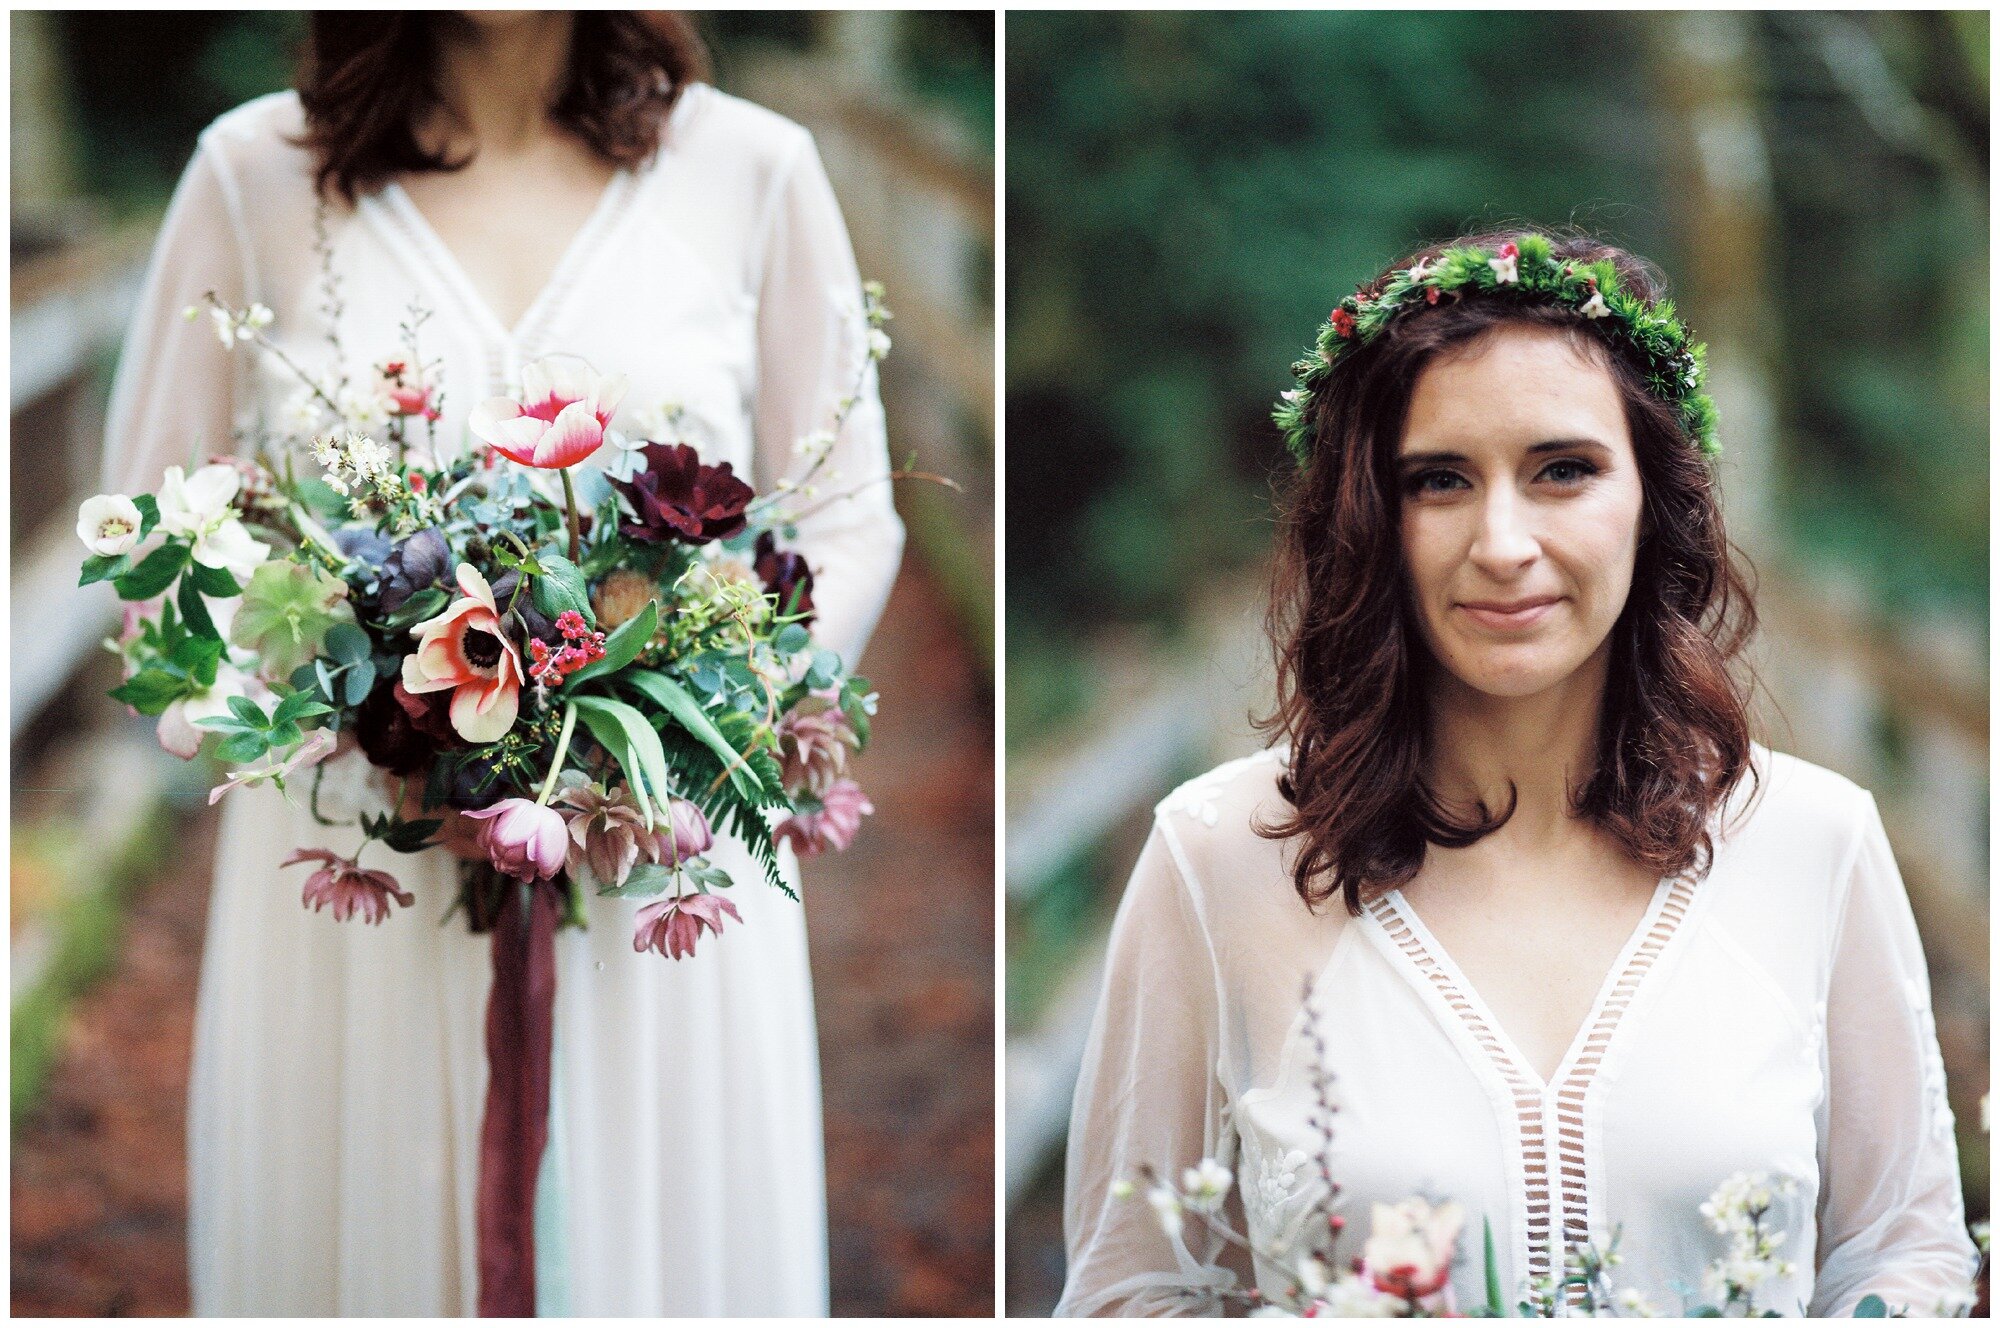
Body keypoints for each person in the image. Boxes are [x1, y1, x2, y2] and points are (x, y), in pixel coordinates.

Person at [102, 12, 903, 1315]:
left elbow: (848, 514)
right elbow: (156, 533)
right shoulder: (252, 176)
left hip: (657, 864)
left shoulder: (755, 170)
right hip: (361, 877)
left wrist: (693, 727)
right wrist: (333, 719)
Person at [1057, 229, 1978, 1315]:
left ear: (1652, 495)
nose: (1501, 541)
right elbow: (1132, 1286)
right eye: (1438, 479)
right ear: (1369, 519)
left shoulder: (1815, 842)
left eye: (1562, 470)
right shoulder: (1214, 854)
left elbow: (1902, 1255)